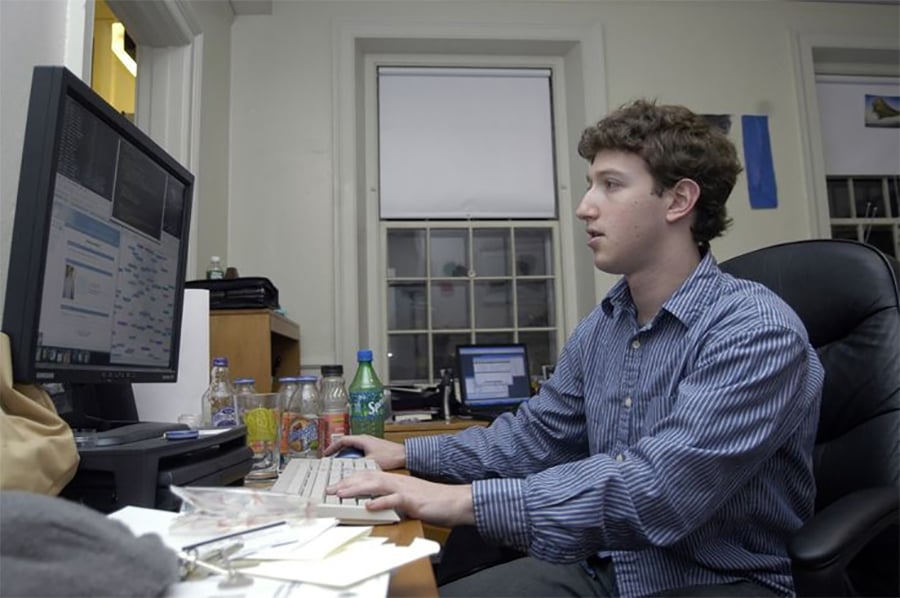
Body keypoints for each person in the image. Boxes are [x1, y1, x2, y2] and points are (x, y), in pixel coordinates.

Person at [325, 99, 824, 597]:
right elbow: (534, 438)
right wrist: (407, 454)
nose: (586, 205)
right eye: (590, 185)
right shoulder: (604, 326)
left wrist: (460, 501)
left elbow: (659, 490)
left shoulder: (756, 330)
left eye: (610, 185)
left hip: (714, 579)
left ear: (677, 201)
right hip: (607, 563)